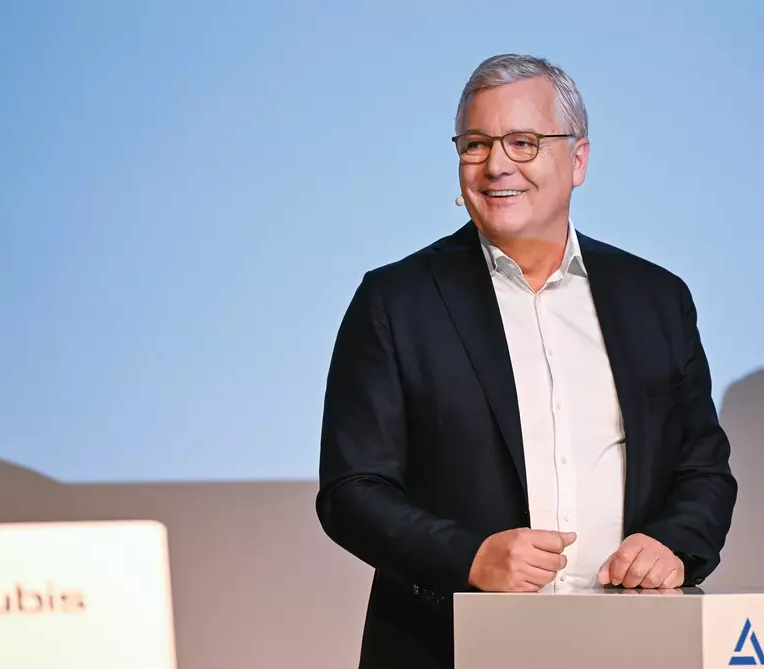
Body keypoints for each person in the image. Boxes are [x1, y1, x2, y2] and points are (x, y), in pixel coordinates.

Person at [315, 53, 737, 669]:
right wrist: (469, 558)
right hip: (447, 646)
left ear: (579, 159)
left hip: (631, 645)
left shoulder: (656, 297)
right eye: (475, 144)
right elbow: (352, 490)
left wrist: (672, 544)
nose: (495, 165)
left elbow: (703, 469)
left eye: (523, 142)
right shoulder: (395, 301)